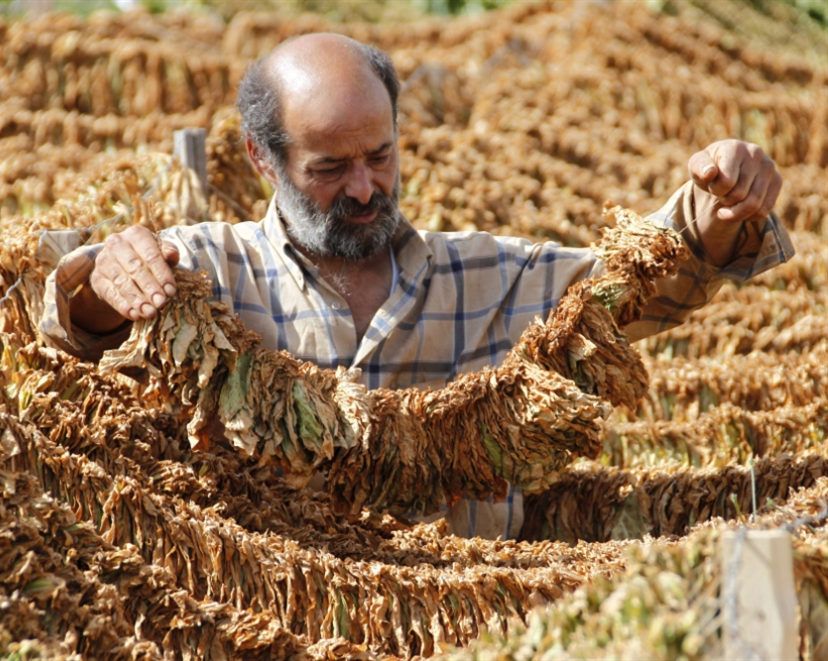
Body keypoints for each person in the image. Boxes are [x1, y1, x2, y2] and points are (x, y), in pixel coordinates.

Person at [41, 33, 792, 540]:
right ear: (262, 161)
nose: (365, 188)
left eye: (381, 155)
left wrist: (710, 209)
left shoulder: (487, 275)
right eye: (330, 169)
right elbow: (72, 322)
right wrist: (102, 276)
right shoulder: (212, 268)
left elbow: (634, 290)